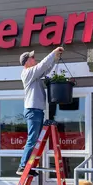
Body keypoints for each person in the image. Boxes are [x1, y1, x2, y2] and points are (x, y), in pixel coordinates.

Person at [16, 46, 64, 176]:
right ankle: (22, 166)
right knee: (32, 139)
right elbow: (42, 66)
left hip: (36, 110)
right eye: (32, 58)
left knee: (35, 139)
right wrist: (53, 52)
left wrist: (55, 59)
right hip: (32, 110)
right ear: (27, 62)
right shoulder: (27, 73)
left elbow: (46, 69)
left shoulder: (34, 76)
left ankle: (28, 167)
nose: (34, 59)